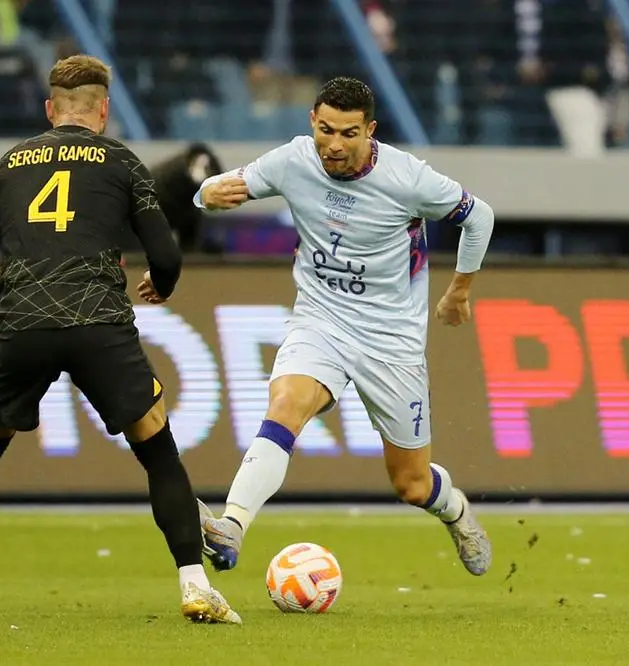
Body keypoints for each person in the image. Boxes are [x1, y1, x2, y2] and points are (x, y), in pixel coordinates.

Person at [0, 54, 241, 625]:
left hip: (22, 324)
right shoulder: (120, 161)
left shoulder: (8, 166)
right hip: (98, 323)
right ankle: (195, 585)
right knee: (157, 448)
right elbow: (166, 252)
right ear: (104, 110)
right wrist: (160, 284)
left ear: (50, 110)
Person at [194, 77, 495, 577]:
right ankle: (233, 525)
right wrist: (208, 194)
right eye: (326, 130)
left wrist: (459, 290)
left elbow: (478, 216)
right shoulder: (294, 160)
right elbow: (221, 188)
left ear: (370, 131)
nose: (334, 145)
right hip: (321, 319)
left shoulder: (408, 178)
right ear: (313, 121)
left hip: (391, 339)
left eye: (349, 134)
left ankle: (458, 512)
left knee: (412, 485)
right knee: (286, 404)